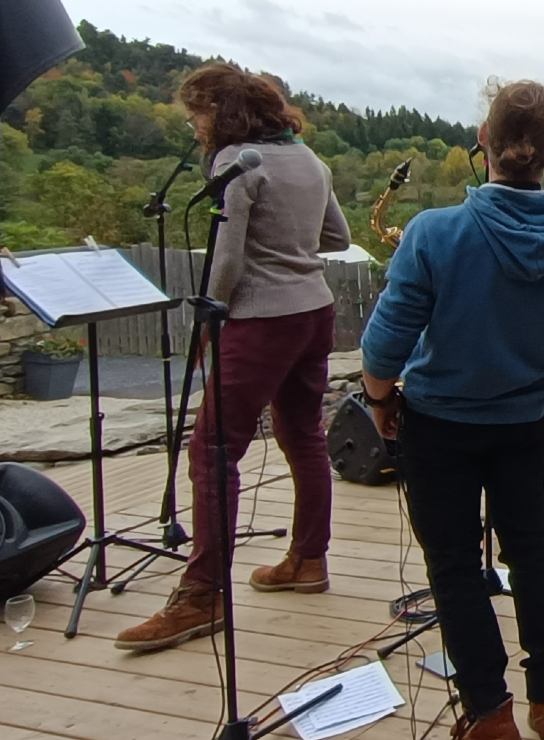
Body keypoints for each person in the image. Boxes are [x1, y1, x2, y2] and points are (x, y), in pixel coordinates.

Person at [358, 80, 544, 740]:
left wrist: (379, 399)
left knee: (454, 569)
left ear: (484, 143)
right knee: (531, 553)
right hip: (524, 421)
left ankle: (491, 725)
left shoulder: (435, 233)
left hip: (438, 425)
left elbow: (383, 349)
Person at [118, 63, 349, 652]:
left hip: (260, 316)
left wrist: (210, 316)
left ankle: (202, 595)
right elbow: (336, 238)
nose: (195, 126)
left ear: (221, 113)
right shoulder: (309, 160)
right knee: (304, 435)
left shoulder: (236, 162)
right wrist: (290, 244)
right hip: (314, 309)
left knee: (214, 446)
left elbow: (225, 258)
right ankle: (307, 559)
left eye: (197, 114)